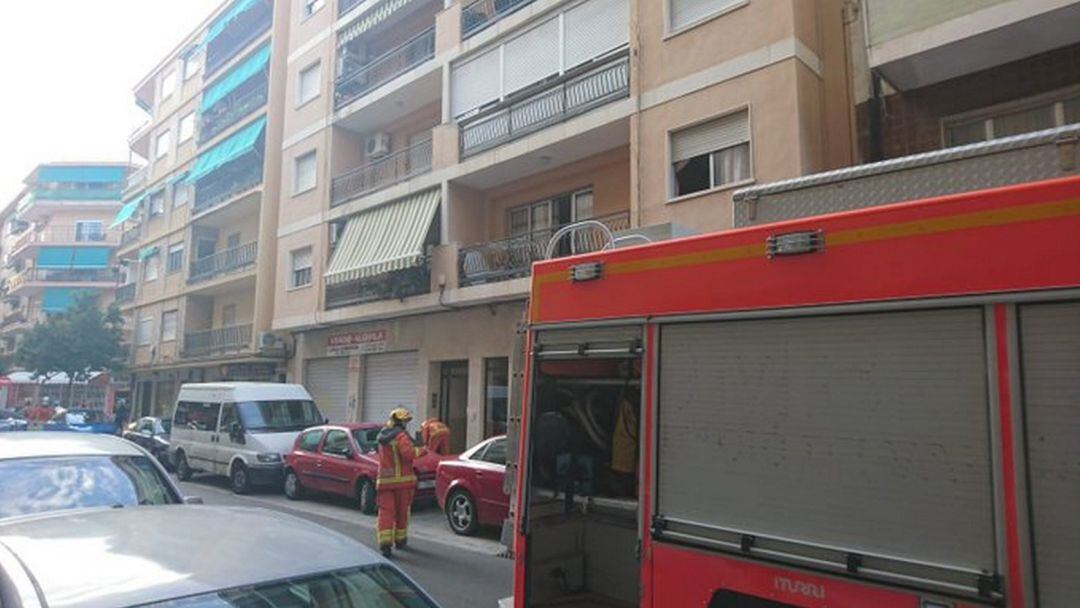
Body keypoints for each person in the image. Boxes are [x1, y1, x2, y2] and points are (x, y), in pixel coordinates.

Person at [375, 407, 427, 558]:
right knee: (402, 512)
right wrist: (422, 451)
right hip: (402, 482)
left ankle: (385, 544)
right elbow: (408, 454)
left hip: (384, 481)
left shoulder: (383, 434)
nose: (406, 423)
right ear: (399, 421)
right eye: (405, 420)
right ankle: (400, 540)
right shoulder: (400, 436)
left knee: (386, 512)